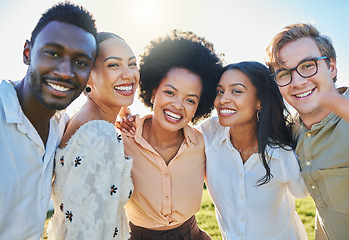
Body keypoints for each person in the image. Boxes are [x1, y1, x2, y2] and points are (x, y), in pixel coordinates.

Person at [0, 3, 97, 240]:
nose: (65, 72)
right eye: (52, 53)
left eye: (81, 62)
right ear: (27, 53)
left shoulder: (63, 128)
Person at [119, 30, 222, 240]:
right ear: (154, 90)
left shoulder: (203, 144)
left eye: (190, 100)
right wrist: (119, 112)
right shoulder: (123, 139)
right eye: (170, 92)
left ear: (198, 107)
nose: (177, 106)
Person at [198, 62, 309, 240]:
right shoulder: (208, 134)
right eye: (220, 91)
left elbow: (303, 192)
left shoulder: (282, 154)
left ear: (260, 101)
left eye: (236, 91)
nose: (223, 100)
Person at [47, 32, 138, 240]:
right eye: (114, 65)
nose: (128, 74)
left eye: (132, 64)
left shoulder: (84, 121)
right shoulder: (100, 135)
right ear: (88, 75)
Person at [265, 23, 349, 239]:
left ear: (331, 67)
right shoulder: (291, 133)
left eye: (307, 65)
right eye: (284, 73)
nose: (298, 82)